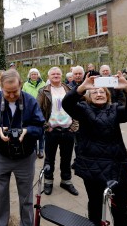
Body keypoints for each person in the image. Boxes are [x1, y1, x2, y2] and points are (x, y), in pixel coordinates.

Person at [62, 72, 127, 226]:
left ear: (108, 95)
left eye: (102, 91)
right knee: (95, 206)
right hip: (92, 167)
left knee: (120, 208)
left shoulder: (115, 109)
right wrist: (81, 88)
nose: (99, 94)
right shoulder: (82, 109)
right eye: (94, 92)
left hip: (117, 166)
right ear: (88, 96)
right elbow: (67, 104)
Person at [0, 69, 44, 226]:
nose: (11, 96)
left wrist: (27, 131)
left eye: (14, 92)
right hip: (1, 155)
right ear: (1, 86)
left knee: (26, 198)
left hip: (25, 157)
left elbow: (40, 128)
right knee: (1, 196)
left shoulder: (30, 101)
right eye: (7, 92)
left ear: (21, 85)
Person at [37, 67, 79, 196]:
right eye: (53, 74)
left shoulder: (70, 89)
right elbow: (38, 110)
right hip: (52, 130)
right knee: (49, 159)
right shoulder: (44, 91)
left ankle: (66, 181)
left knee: (66, 158)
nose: (55, 75)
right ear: (49, 77)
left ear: (62, 76)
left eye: (58, 74)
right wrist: (45, 126)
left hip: (68, 130)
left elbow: (77, 108)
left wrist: (74, 125)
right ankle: (48, 182)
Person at [22, 68, 46, 159]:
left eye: (35, 74)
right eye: (32, 74)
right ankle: (34, 150)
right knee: (32, 131)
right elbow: (23, 97)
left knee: (41, 131)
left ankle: (41, 149)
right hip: (30, 110)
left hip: (41, 110)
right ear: (29, 75)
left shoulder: (43, 84)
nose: (34, 76)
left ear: (38, 75)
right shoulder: (25, 85)